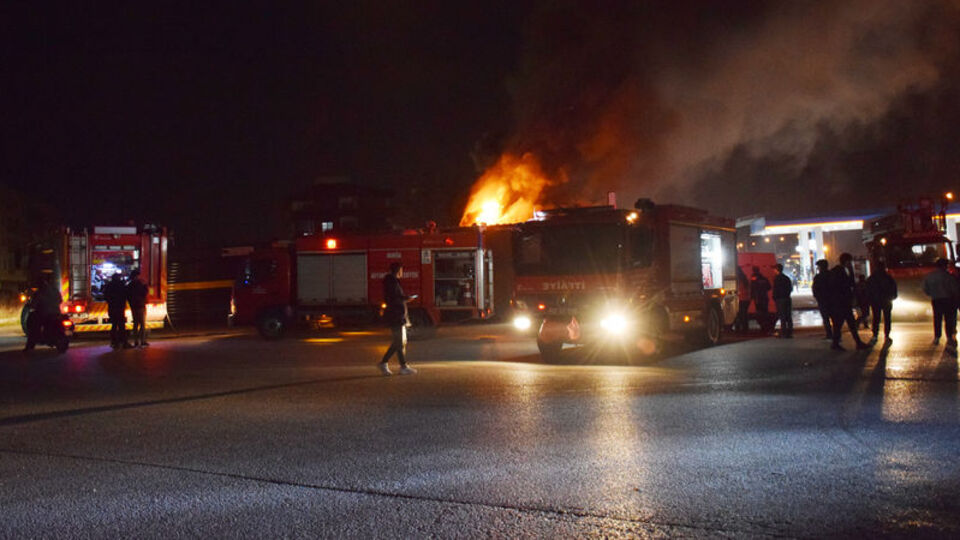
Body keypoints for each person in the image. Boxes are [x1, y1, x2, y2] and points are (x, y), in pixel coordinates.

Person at [378, 262, 417, 375]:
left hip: (397, 315)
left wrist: (404, 298)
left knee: (399, 342)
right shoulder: (392, 282)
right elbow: (395, 298)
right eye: (401, 270)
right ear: (398, 270)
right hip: (395, 315)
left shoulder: (391, 282)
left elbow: (395, 297)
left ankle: (401, 366)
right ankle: (387, 363)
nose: (402, 273)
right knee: (398, 342)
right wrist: (406, 298)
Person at [829, 253, 871, 351]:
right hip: (842, 302)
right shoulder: (840, 271)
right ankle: (854, 343)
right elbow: (849, 284)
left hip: (841, 302)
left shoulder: (839, 271)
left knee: (843, 324)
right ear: (846, 261)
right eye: (849, 262)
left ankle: (841, 343)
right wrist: (851, 271)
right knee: (843, 324)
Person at [922, 257, 959, 348]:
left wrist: (931, 293)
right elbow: (954, 289)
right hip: (948, 299)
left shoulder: (930, 276)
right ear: (944, 266)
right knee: (948, 318)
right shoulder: (949, 276)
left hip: (936, 299)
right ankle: (949, 336)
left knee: (937, 318)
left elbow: (925, 288)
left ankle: (937, 336)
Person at [23, 274, 63, 352]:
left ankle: (30, 345)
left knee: (34, 328)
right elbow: (60, 300)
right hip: (56, 313)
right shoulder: (55, 290)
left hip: (45, 315)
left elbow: (33, 304)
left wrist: (31, 305)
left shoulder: (39, 292)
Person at [866, 262, 897, 344]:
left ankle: (875, 335)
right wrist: (892, 297)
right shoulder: (888, 278)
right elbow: (894, 288)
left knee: (876, 318)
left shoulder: (872, 278)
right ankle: (886, 335)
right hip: (886, 300)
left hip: (875, 301)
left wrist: (869, 300)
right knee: (887, 318)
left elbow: (868, 290)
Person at [104, 272, 132, 349]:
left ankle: (114, 342)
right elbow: (126, 294)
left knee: (114, 325)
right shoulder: (121, 285)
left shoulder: (109, 285)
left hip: (112, 308)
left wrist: (111, 302)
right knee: (121, 326)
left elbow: (106, 296)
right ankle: (124, 342)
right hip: (120, 308)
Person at [812, 259, 834, 341]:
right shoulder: (832, 275)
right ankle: (836, 334)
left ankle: (829, 334)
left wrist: (818, 298)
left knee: (826, 319)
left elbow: (815, 290)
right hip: (832, 300)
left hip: (823, 301)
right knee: (834, 318)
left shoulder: (818, 277)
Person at [127, 269, 149, 347]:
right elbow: (145, 293)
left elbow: (128, 296)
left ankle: (136, 341)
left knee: (135, 324)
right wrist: (145, 285)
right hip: (140, 306)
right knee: (142, 324)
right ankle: (142, 341)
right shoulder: (140, 284)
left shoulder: (129, 285)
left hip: (134, 307)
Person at [772, 264, 793, 338]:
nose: (773, 271)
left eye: (774, 269)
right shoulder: (786, 278)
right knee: (788, 316)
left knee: (782, 316)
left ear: (777, 269)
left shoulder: (777, 279)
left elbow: (775, 290)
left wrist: (775, 298)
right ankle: (790, 332)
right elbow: (790, 288)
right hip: (787, 298)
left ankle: (783, 332)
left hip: (780, 299)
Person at [733, 265, 751, 333]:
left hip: (741, 299)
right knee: (745, 314)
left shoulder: (738, 279)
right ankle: (745, 327)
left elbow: (739, 289)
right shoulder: (745, 278)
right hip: (746, 299)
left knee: (739, 314)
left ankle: (739, 328)